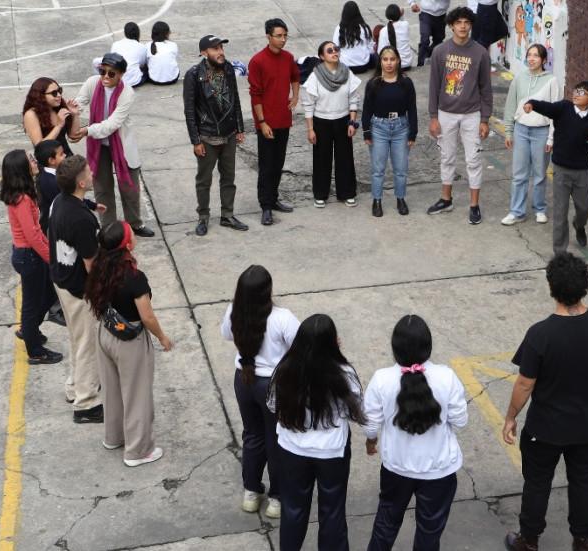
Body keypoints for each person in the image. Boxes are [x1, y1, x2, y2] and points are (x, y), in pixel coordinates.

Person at [503, 253, 588, 551]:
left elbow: (525, 383)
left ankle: (529, 540)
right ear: (585, 285)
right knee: (584, 481)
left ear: (551, 286)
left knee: (537, 482)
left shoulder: (540, 334)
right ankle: (582, 540)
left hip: (545, 428)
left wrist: (510, 417)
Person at [364, 315, 468, 551]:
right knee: (429, 531)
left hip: (396, 468)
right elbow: (460, 421)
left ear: (394, 348)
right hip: (439, 471)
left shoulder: (381, 379)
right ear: (428, 347)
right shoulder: (446, 377)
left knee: (386, 524)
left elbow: (370, 423)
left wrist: (371, 441)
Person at [268, 314, 365, 551]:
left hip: (292, 449)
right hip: (332, 452)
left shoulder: (284, 370)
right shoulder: (345, 373)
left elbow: (273, 405)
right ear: (333, 342)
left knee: (293, 509)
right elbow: (356, 411)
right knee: (332, 511)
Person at [84, 221, 173, 467]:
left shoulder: (99, 267)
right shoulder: (134, 277)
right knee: (137, 395)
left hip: (105, 333)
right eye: (130, 233)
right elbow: (147, 317)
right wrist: (162, 337)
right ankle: (138, 451)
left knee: (112, 390)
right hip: (130, 342)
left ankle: (114, 437)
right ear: (126, 245)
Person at [222, 265, 301, 518]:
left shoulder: (233, 311)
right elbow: (301, 347)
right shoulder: (282, 318)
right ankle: (277, 498)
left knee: (252, 436)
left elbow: (226, 334)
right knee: (276, 438)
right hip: (273, 385)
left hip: (243, 380)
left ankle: (251, 492)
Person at [75, 52, 155, 238]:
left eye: (111, 74)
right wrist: (71, 109)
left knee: (129, 186)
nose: (105, 77)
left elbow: (112, 124)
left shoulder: (127, 92)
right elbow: (79, 102)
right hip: (98, 146)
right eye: (103, 71)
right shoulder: (92, 83)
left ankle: (135, 224)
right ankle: (109, 227)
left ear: (121, 75)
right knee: (102, 187)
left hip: (121, 144)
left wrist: (86, 130)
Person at [425, 7, 494, 225]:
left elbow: (486, 88)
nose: (463, 26)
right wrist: (433, 116)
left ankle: (474, 205)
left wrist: (485, 119)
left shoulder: (481, 52)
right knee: (447, 158)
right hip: (446, 114)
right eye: (459, 22)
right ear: (451, 25)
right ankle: (446, 199)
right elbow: (434, 85)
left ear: (471, 25)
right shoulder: (440, 51)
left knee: (473, 160)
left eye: (466, 22)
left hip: (472, 115)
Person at [49, 155, 104, 424]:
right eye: (88, 171)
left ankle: (74, 386)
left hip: (61, 280)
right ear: (81, 182)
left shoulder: (60, 202)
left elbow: (75, 206)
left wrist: (91, 205)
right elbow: (91, 263)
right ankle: (86, 404)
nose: (92, 172)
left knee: (76, 338)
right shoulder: (82, 221)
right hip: (79, 288)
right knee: (86, 345)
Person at [522, 81, 588, 255]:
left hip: (582, 172)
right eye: (576, 91)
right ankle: (560, 252)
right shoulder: (564, 108)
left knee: (584, 207)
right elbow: (547, 107)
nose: (576, 94)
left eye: (581, 93)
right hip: (561, 170)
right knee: (560, 213)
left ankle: (579, 225)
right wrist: (532, 103)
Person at [0, 150, 64, 365]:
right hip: (29, 256)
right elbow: (33, 235)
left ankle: (30, 331)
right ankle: (35, 350)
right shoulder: (23, 200)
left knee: (46, 295)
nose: (35, 162)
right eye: (31, 161)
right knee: (31, 303)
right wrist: (51, 258)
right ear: (22, 169)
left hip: (30, 254)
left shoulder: (22, 194)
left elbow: (37, 232)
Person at [184, 35, 249, 236]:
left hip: (228, 135)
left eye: (221, 48)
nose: (220, 52)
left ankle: (227, 215)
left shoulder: (228, 68)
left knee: (228, 177)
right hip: (207, 137)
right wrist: (196, 140)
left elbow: (235, 99)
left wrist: (239, 127)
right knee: (204, 180)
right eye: (215, 49)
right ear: (204, 53)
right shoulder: (194, 75)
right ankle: (203, 217)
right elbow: (189, 110)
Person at [248, 19, 300, 226]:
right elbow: (256, 95)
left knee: (278, 163)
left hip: (283, 120)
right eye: (279, 36)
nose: (283, 39)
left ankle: (274, 198)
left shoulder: (288, 58)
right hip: (267, 123)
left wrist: (295, 96)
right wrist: (262, 122)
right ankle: (266, 206)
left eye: (285, 35)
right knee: (266, 165)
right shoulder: (257, 61)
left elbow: (296, 77)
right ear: (268, 36)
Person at [501, 44, 559, 226]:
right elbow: (510, 105)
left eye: (536, 55)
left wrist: (551, 137)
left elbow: (556, 112)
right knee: (519, 174)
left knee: (540, 174)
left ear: (543, 60)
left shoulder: (551, 80)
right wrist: (509, 131)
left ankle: (540, 208)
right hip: (521, 131)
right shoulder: (519, 78)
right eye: (529, 55)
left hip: (541, 132)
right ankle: (516, 212)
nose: (532, 58)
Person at [302, 41, 362, 208]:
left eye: (336, 49)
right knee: (322, 158)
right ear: (322, 56)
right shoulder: (315, 76)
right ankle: (320, 194)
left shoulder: (346, 72)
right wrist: (310, 129)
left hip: (343, 120)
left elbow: (353, 99)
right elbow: (308, 104)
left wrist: (352, 122)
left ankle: (347, 193)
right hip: (322, 121)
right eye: (330, 51)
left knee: (345, 158)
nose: (334, 52)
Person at [362, 46, 417, 217]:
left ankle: (400, 198)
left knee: (401, 168)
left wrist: (412, 132)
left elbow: (412, 108)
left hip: (401, 127)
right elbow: (367, 109)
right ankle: (376, 200)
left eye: (392, 59)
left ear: (398, 61)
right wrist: (366, 131)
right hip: (379, 128)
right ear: (381, 61)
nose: (389, 63)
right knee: (378, 169)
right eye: (385, 59)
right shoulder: (373, 84)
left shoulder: (406, 83)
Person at [23, 77, 83, 156]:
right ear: (40, 96)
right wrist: (58, 126)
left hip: (66, 157)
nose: (59, 95)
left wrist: (75, 115)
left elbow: (74, 135)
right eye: (54, 93)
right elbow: (40, 147)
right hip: (49, 163)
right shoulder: (31, 114)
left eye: (59, 91)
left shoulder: (58, 108)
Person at [335, 1, 377, 74]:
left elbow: (335, 46)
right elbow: (371, 48)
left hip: (346, 66)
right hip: (363, 66)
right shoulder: (364, 27)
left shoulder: (339, 28)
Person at [408, 0, 449, 67]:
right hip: (426, 13)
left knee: (438, 40)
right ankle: (420, 64)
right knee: (425, 39)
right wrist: (412, 3)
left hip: (441, 15)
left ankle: (428, 53)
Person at [110, 22, 148, 88]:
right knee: (147, 68)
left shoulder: (115, 44)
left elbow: (112, 61)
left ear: (125, 33)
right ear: (138, 33)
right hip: (134, 81)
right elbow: (142, 64)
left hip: (117, 79)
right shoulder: (141, 47)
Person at [376, 4, 414, 68]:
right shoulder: (406, 25)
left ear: (387, 16)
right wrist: (401, 15)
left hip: (394, 66)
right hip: (408, 63)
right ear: (399, 14)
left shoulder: (384, 31)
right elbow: (401, 22)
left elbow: (380, 51)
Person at [147, 21, 180, 85]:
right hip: (173, 79)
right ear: (166, 34)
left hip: (154, 80)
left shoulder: (148, 46)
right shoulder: (173, 45)